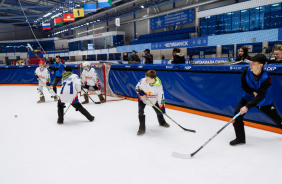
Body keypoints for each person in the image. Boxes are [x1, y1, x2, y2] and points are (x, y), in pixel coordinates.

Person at [230, 54, 282, 146]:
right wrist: (252, 92)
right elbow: (243, 86)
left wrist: (247, 107)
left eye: (253, 63)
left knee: (277, 119)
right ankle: (240, 139)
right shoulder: (246, 71)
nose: (250, 65)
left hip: (263, 102)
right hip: (247, 97)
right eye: (250, 62)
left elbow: (261, 96)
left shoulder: (266, 78)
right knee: (237, 115)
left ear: (260, 65)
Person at [135, 70, 170, 136]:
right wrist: (142, 94)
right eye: (145, 78)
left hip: (154, 100)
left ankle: (162, 122)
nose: (146, 80)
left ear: (153, 79)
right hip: (143, 99)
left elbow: (161, 97)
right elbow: (137, 88)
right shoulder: (142, 81)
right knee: (140, 112)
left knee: (159, 112)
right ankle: (142, 128)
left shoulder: (159, 86)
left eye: (147, 79)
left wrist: (163, 109)